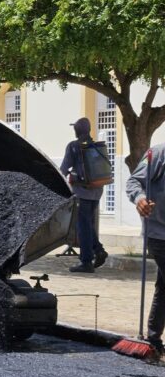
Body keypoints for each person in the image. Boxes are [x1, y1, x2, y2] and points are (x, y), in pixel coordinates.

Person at [127, 144, 165, 354]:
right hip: (159, 234)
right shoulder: (158, 154)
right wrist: (140, 199)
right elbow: (133, 182)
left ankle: (153, 339)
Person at [59, 117, 108, 273]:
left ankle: (86, 261)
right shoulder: (96, 146)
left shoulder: (74, 146)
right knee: (88, 224)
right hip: (96, 191)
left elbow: (63, 169)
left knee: (83, 227)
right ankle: (99, 251)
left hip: (82, 193)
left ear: (76, 130)